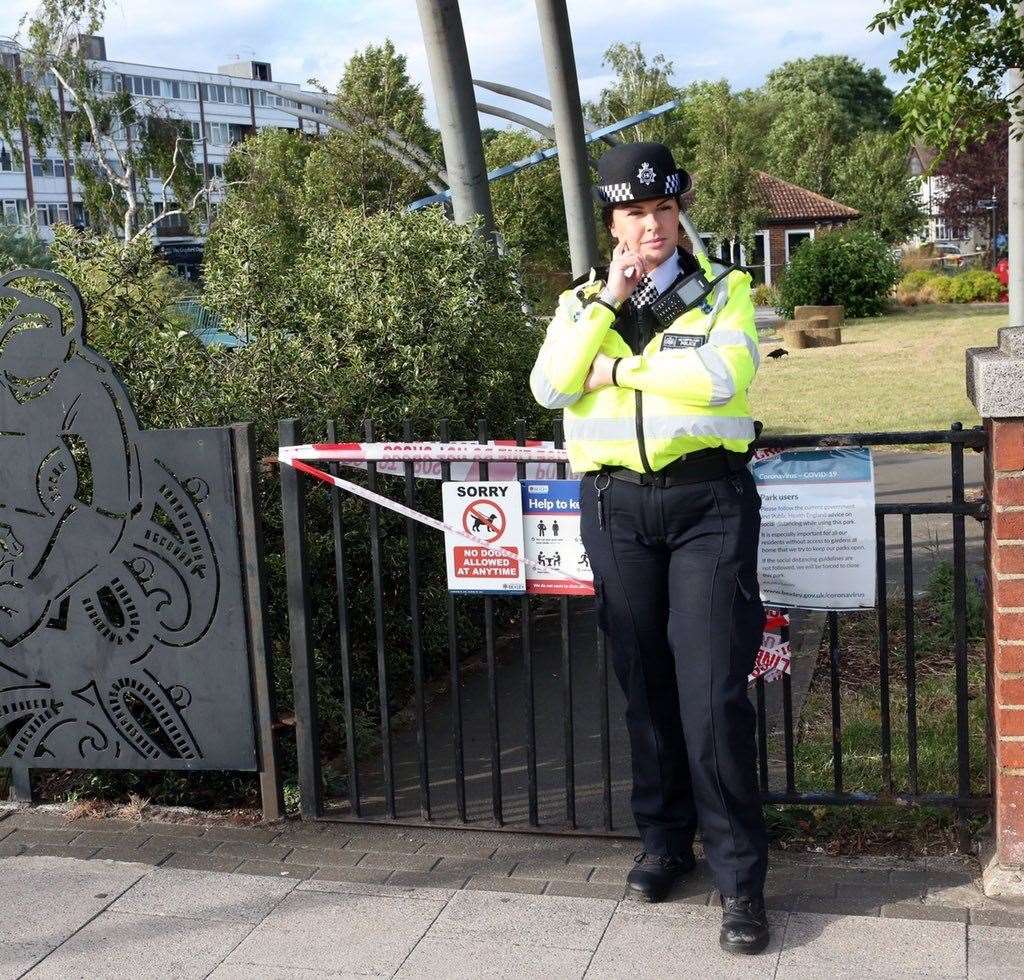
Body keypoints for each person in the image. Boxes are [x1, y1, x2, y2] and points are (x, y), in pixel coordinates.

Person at [530, 142, 769, 955]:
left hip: (708, 505)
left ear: (679, 213)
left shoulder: (725, 289)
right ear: (612, 222)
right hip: (615, 507)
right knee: (645, 687)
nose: (652, 226)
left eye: (664, 210)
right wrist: (606, 311)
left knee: (711, 699)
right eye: (635, 213)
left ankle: (740, 880)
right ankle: (665, 843)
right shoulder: (577, 304)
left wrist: (620, 373)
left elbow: (721, 380)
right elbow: (551, 385)